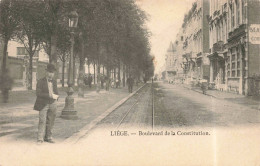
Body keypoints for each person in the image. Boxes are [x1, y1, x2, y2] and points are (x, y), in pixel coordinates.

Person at [34, 64, 59, 144]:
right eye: (50, 72)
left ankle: (48, 137)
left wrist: (57, 97)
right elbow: (38, 93)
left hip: (53, 103)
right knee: (42, 121)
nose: (51, 74)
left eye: (52, 73)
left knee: (51, 121)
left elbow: (56, 92)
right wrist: (49, 95)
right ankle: (40, 138)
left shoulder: (54, 82)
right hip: (43, 103)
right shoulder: (40, 81)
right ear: (46, 72)